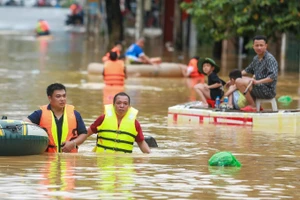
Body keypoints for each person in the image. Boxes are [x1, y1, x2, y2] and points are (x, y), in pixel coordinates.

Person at [24, 83, 87, 153]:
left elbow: (83, 134)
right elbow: (25, 124)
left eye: (64, 96)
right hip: (47, 158)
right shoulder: (40, 113)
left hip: (69, 158)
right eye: (58, 96)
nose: (62, 99)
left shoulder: (75, 114)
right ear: (50, 98)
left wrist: (72, 144)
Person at [235, 35, 278, 112]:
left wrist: (257, 81)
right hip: (258, 87)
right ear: (253, 46)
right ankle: (257, 105)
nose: (259, 48)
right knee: (238, 79)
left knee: (239, 81)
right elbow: (247, 70)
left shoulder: (270, 59)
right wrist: (233, 77)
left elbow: (273, 77)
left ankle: (253, 106)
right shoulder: (256, 58)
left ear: (266, 46)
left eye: (261, 45)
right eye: (257, 45)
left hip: (268, 90)